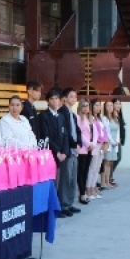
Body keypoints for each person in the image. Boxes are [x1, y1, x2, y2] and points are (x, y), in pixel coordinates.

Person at [38, 88, 73, 217]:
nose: (54, 101)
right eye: (51, 98)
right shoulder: (43, 116)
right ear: (47, 101)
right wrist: (57, 151)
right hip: (50, 154)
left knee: (60, 182)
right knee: (51, 183)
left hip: (61, 155)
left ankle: (59, 206)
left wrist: (64, 151)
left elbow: (65, 135)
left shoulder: (61, 116)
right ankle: (50, 210)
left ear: (60, 100)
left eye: (56, 98)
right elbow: (46, 136)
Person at [58, 87, 82, 216]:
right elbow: (65, 132)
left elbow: (77, 131)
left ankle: (70, 203)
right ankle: (63, 204)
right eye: (71, 96)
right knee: (65, 179)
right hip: (67, 150)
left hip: (74, 150)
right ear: (65, 98)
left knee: (73, 178)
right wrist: (73, 144)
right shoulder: (62, 112)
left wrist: (79, 143)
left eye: (75, 96)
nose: (74, 99)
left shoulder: (72, 113)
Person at [75, 99, 95, 205]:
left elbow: (92, 133)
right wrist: (88, 144)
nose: (86, 108)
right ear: (80, 107)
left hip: (89, 149)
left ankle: (83, 193)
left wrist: (92, 144)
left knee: (86, 171)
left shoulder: (88, 119)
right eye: (84, 106)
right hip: (83, 148)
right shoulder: (78, 118)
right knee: (81, 173)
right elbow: (80, 134)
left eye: (87, 106)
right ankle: (82, 194)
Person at [102, 100, 121, 189]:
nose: (110, 107)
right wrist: (112, 142)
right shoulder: (104, 118)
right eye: (108, 106)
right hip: (109, 143)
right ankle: (104, 182)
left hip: (114, 144)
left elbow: (118, 131)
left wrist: (117, 141)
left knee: (110, 163)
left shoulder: (115, 118)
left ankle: (108, 180)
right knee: (106, 162)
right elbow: (107, 131)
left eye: (111, 105)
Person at [111, 97, 126, 185]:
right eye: (116, 103)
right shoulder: (111, 116)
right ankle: (108, 177)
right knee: (113, 159)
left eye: (119, 103)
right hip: (113, 141)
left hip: (118, 141)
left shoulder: (119, 115)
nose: (118, 105)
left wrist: (122, 139)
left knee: (118, 158)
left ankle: (110, 176)